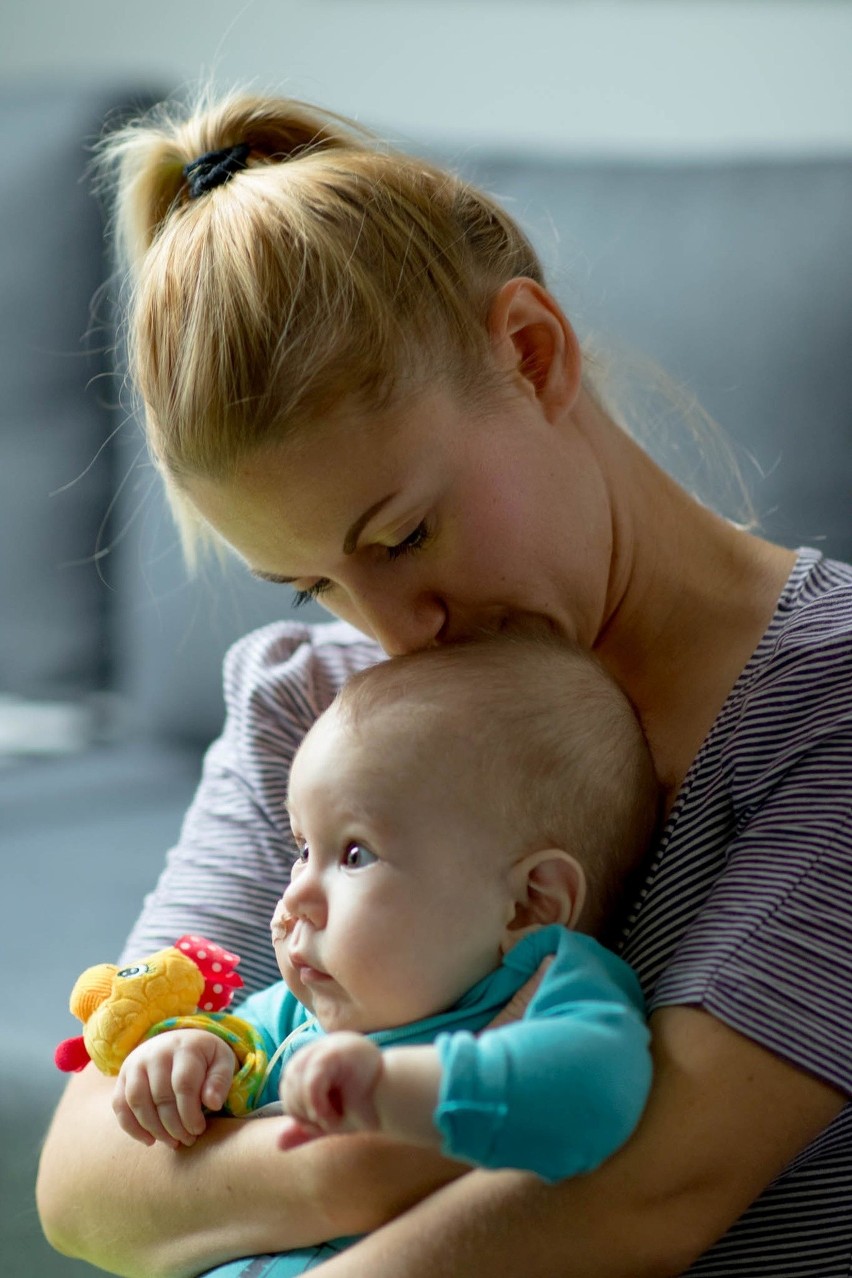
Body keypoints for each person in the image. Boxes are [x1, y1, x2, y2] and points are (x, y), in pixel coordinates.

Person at [36, 87, 852, 1278]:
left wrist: (336, 1127)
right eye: (309, 583)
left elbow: (645, 1195)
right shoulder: (310, 707)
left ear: (531, 352)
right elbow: (82, 1186)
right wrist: (365, 1147)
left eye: (405, 534)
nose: (391, 632)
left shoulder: (823, 709)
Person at [110, 634, 658, 1276]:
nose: (297, 897)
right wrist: (190, 1056)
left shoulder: (547, 992)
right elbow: (239, 1040)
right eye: (301, 849)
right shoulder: (297, 1009)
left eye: (355, 855)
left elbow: (597, 1090)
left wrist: (395, 1093)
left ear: (529, 905)